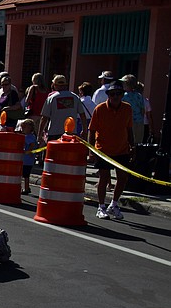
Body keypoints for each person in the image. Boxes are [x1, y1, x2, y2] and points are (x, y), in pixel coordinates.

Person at [88, 80, 134, 221]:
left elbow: (129, 128)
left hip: (122, 149)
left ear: (122, 95)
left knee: (122, 178)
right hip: (103, 150)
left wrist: (132, 145)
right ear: (108, 95)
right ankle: (101, 206)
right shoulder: (100, 109)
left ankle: (114, 204)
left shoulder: (127, 108)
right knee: (104, 177)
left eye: (118, 94)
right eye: (112, 94)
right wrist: (91, 151)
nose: (115, 96)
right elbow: (92, 130)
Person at [39, 75, 86, 143]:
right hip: (71, 133)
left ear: (55, 85)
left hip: (54, 133)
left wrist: (39, 134)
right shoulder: (75, 97)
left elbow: (44, 118)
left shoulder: (51, 98)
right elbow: (82, 115)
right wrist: (84, 130)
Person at [16, 119, 38, 195]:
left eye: (24, 128)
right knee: (24, 174)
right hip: (25, 159)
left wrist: (29, 151)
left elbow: (32, 144)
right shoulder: (27, 136)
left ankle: (26, 188)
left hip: (27, 159)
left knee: (25, 175)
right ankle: (25, 187)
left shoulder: (30, 137)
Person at [121, 74, 145, 145]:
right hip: (140, 122)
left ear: (127, 84)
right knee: (138, 142)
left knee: (128, 142)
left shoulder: (124, 96)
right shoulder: (139, 96)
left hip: (129, 122)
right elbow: (142, 110)